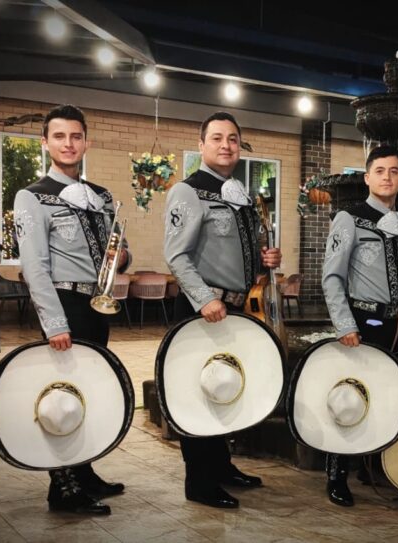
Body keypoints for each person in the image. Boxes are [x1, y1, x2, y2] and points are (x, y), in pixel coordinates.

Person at [13, 104, 129, 515]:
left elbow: (113, 251)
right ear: (45, 143)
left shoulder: (100, 195)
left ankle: (85, 471)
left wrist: (122, 256)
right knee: (62, 398)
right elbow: (34, 267)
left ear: (86, 142)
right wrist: (54, 323)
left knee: (91, 391)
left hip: (96, 304)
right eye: (59, 136)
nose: (68, 143)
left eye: (75, 136)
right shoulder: (32, 196)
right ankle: (62, 488)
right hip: (64, 303)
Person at [163, 111, 281, 509]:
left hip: (234, 308)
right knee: (199, 394)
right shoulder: (189, 191)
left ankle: (222, 466)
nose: (226, 145)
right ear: (201, 146)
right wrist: (204, 299)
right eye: (216, 138)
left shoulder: (239, 195)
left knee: (225, 387)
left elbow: (244, 249)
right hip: (204, 308)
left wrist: (267, 257)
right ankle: (199, 481)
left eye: (232, 138)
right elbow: (176, 256)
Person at [321, 145, 398, 507]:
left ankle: (372, 465)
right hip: (363, 323)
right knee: (352, 396)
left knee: (392, 397)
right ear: (367, 177)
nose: (387, 177)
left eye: (395, 171)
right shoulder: (349, 218)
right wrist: (344, 324)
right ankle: (336, 472)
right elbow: (332, 277)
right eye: (380, 170)